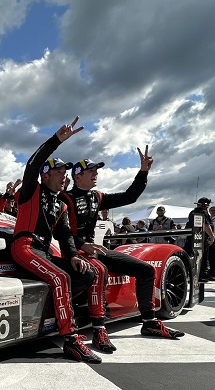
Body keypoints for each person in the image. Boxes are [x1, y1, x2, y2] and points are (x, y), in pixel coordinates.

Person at [60, 149, 185, 340]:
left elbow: (129, 197)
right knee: (99, 272)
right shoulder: (64, 198)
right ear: (77, 176)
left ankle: (150, 322)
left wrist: (143, 172)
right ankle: (98, 327)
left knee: (146, 270)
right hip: (72, 252)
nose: (96, 174)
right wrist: (81, 245)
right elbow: (61, 232)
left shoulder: (97, 196)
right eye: (91, 171)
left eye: (96, 171)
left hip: (94, 250)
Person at [10, 118, 102, 362]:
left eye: (65, 173)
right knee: (60, 277)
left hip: (44, 253)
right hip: (24, 247)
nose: (64, 176)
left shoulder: (61, 205)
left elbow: (65, 236)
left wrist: (72, 257)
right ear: (45, 175)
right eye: (59, 172)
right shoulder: (31, 190)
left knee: (87, 273)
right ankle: (70, 340)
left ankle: (53, 311)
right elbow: (32, 164)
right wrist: (56, 141)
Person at [185, 198, 215, 281]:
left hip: (193, 238)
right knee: (202, 258)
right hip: (201, 239)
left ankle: (192, 275)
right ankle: (201, 275)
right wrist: (212, 236)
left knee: (193, 257)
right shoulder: (203, 212)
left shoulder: (192, 213)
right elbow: (206, 225)